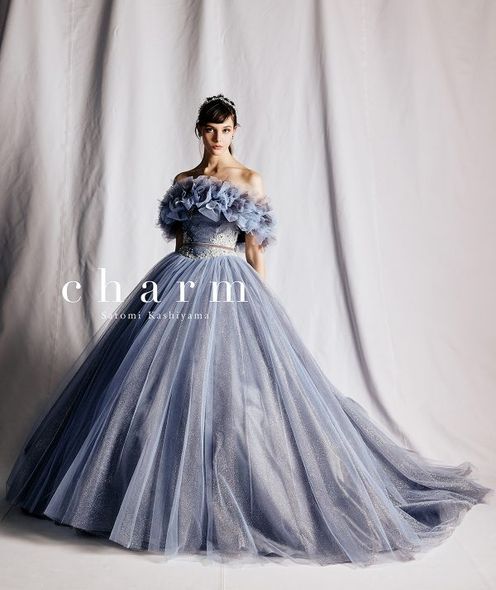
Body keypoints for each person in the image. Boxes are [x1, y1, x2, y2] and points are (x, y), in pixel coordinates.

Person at [4, 93, 492, 567]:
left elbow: (255, 249)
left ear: (235, 131)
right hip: (178, 278)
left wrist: (260, 304)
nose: (218, 137)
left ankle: (229, 494)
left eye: (226, 129)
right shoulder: (183, 179)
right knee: (155, 386)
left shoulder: (249, 179)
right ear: (199, 132)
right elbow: (179, 240)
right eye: (211, 130)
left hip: (228, 282)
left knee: (229, 390)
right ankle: (147, 495)